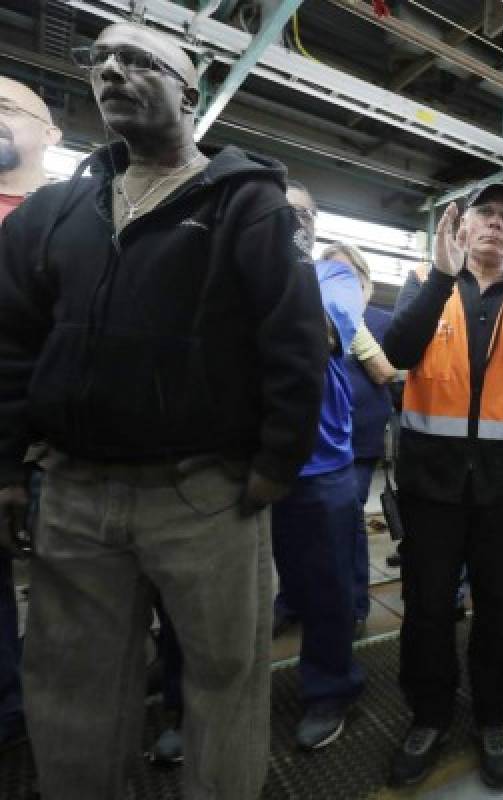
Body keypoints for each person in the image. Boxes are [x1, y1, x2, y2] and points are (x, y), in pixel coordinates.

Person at [0, 22, 326, 799]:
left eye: (140, 60)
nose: (112, 70)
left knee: (223, 680)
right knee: (73, 689)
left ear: (190, 90)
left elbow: (292, 340)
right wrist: (8, 465)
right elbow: (13, 342)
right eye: (101, 59)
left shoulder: (246, 204)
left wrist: (275, 465)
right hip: (75, 494)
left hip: (204, 492)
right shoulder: (58, 213)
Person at [382, 182, 503, 790]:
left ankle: (493, 715)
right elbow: (399, 347)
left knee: (502, 608)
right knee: (429, 606)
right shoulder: (426, 280)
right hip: (430, 485)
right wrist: (440, 274)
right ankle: (430, 714)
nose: (494, 224)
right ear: (461, 228)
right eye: (483, 214)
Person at [268, 182, 366, 748]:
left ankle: (330, 688)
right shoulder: (239, 265)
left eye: (301, 211)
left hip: (321, 463)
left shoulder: (333, 275)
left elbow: (323, 333)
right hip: (247, 455)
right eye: (279, 211)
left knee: (328, 587)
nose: (289, 219)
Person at [0, 75, 60, 753]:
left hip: (43, 446)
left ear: (52, 135)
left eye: (8, 109)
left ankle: (35, 720)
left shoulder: (72, 218)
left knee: (62, 602)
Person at [331, 242, 400, 637]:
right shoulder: (310, 316)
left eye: (346, 275)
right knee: (298, 523)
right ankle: (292, 601)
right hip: (312, 441)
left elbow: (390, 372)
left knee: (346, 518)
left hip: (358, 440)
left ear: (363, 282)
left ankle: (355, 603)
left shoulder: (378, 321)